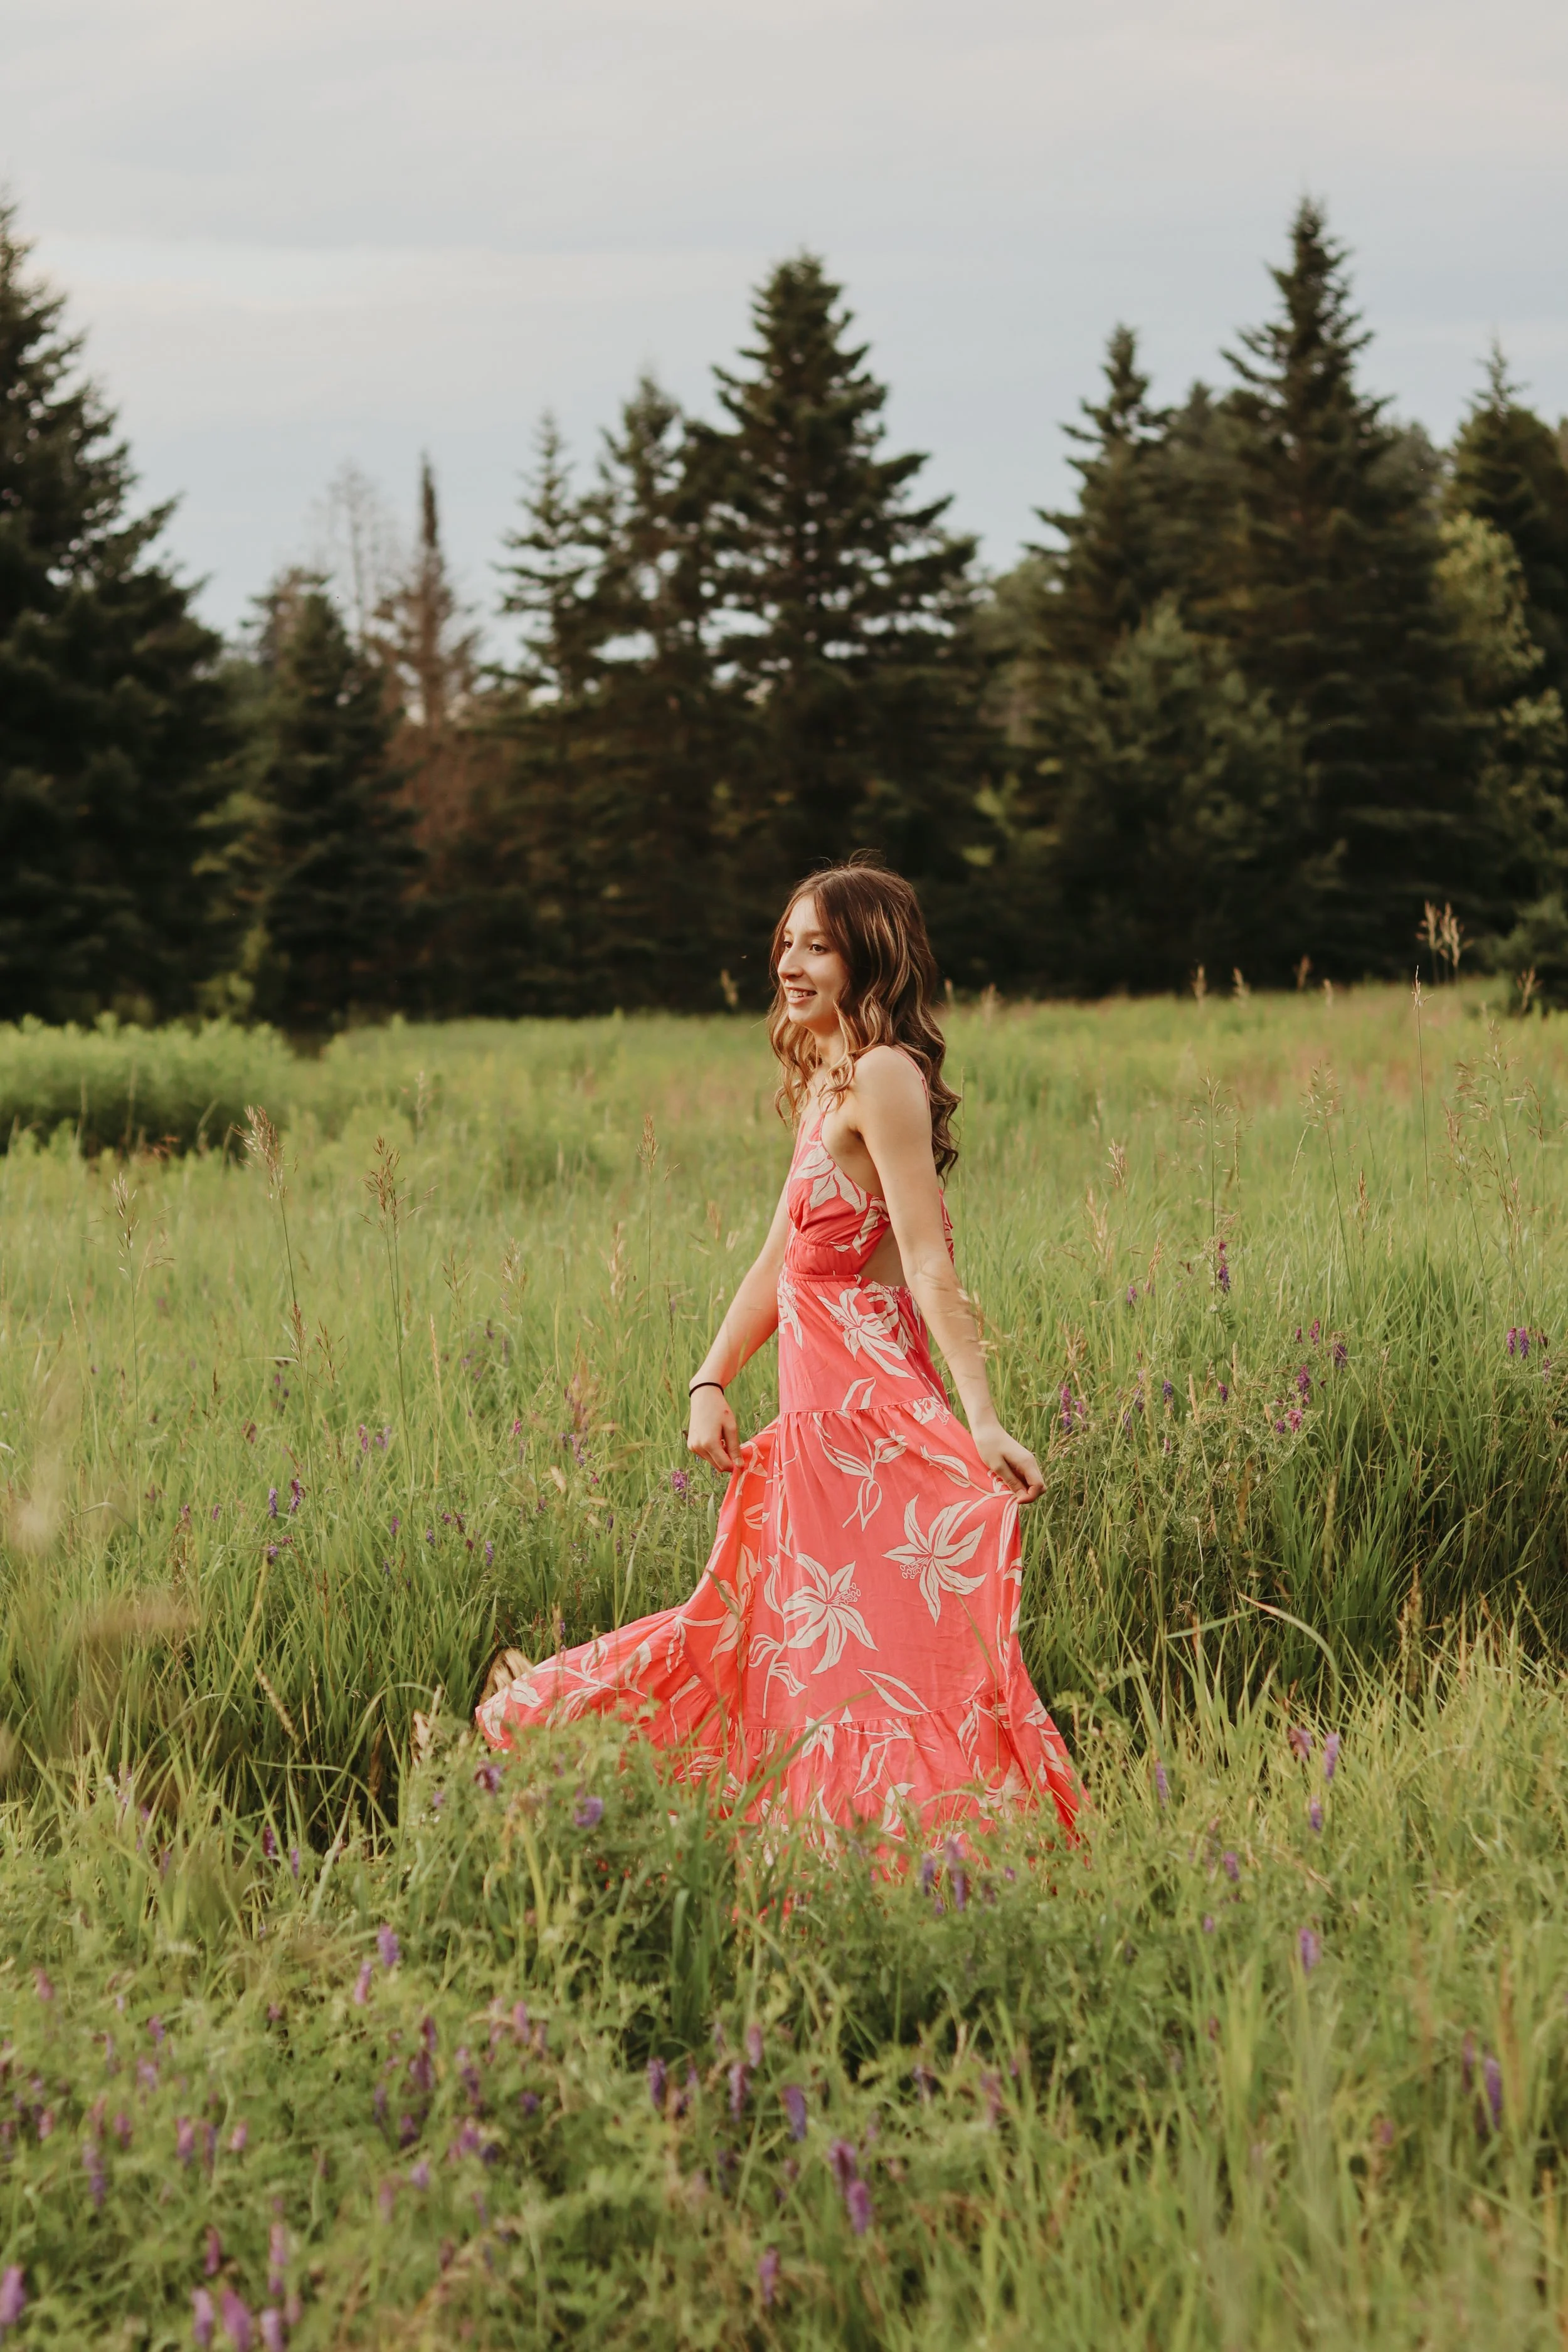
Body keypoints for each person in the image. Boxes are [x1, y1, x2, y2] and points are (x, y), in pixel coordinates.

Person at [477, 861, 1077, 1841]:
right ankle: (806, 1857)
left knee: (852, 1671)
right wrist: (712, 1376)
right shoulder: (825, 1078)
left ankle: (926, 1863)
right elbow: (776, 1261)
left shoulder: (883, 1076)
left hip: (869, 1429)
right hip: (815, 1437)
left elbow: (927, 1263)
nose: (789, 963)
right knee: (780, 1657)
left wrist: (983, 1416)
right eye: (787, 941)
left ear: (868, 956)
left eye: (817, 945)